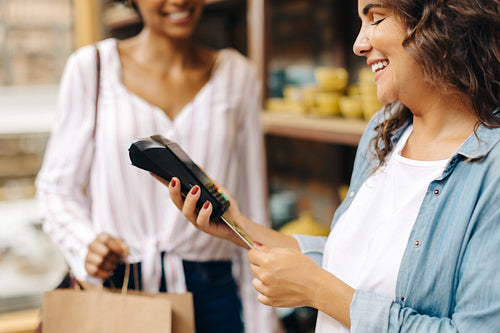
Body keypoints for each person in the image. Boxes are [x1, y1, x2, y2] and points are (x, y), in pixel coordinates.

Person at [165, 0, 500, 332]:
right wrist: (238, 225)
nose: (359, 44)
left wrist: (318, 291)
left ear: (440, 21)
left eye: (376, 18)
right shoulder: (385, 131)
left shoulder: (492, 169)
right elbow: (353, 261)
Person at [35, 0, 278, 332]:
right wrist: (86, 243)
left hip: (215, 293)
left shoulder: (237, 74)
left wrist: (263, 322)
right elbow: (55, 188)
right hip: (120, 286)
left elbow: (251, 207)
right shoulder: (92, 68)